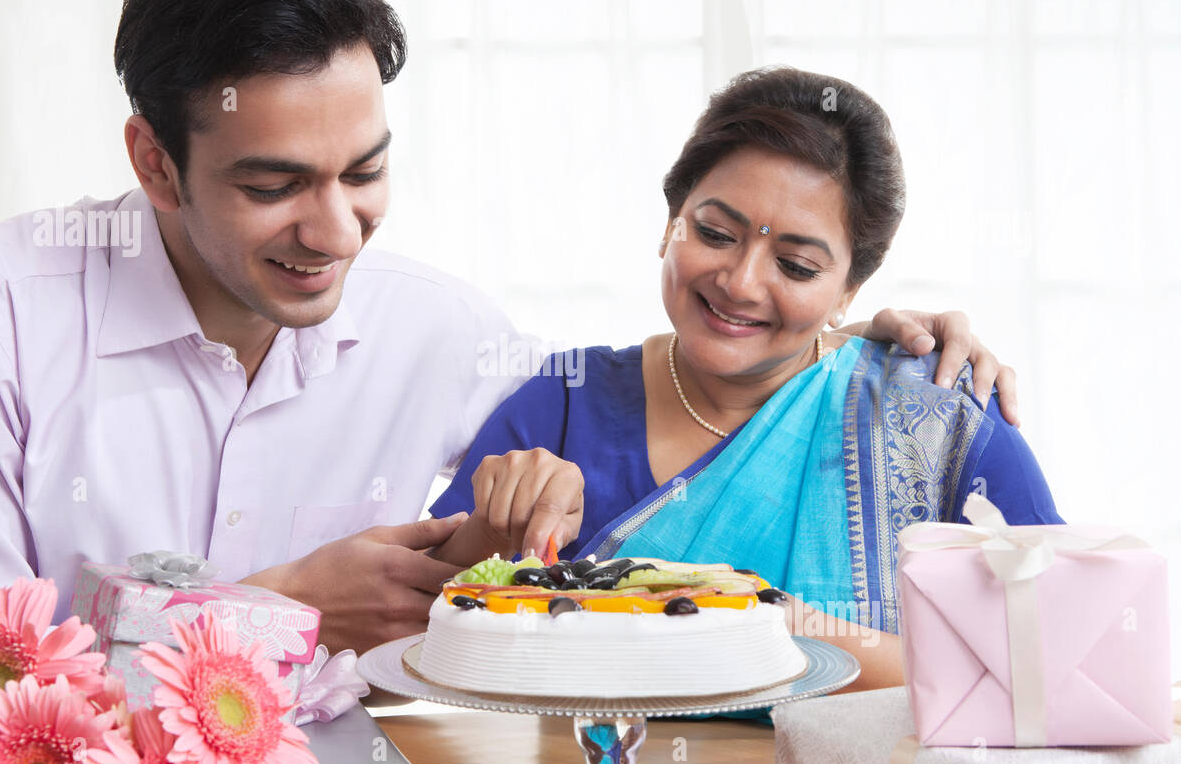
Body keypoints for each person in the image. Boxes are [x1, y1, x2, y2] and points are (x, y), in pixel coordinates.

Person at [0, 0, 1018, 764]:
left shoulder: (443, 331)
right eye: (275, 185)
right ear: (154, 159)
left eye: (365, 172)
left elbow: (638, 417)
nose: (334, 234)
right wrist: (267, 612)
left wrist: (870, 345)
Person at [429, 66, 1060, 693]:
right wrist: (492, 526)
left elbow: (1053, 664)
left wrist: (760, 622)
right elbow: (413, 627)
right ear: (669, 226)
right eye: (714, 233)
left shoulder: (931, 422)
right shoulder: (566, 401)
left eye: (795, 264)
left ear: (850, 291)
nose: (741, 281)